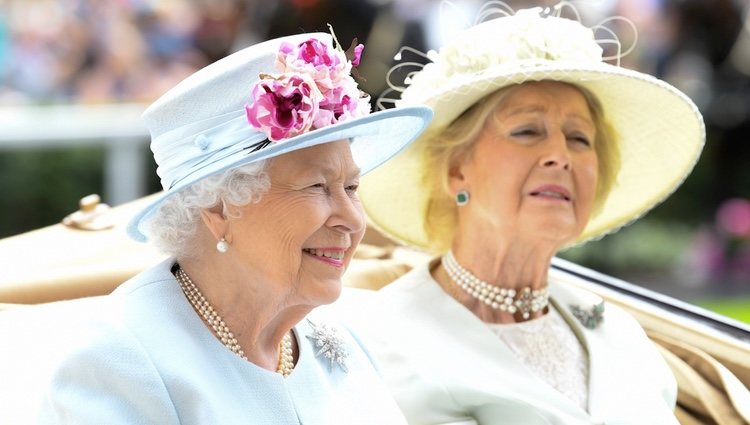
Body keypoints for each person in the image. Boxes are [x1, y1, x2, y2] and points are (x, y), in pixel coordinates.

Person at [37, 29, 432, 424]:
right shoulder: (118, 362)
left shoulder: (338, 336)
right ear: (219, 210)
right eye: (317, 186)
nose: (352, 219)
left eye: (351, 187)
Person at [340, 5, 705, 425]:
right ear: (457, 169)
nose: (560, 156)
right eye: (527, 131)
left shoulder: (617, 330)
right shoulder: (382, 338)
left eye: (579, 138)